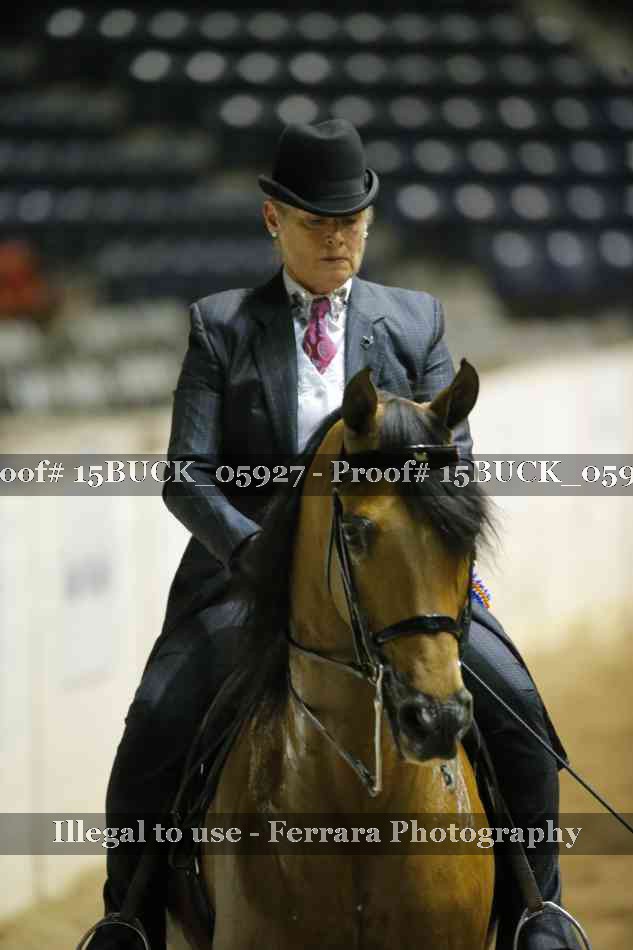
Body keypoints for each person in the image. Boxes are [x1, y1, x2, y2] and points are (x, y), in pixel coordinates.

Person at [88, 119, 579, 949]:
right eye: (317, 223)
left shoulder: (416, 321)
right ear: (272, 219)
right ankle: (129, 917)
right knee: (157, 722)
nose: (337, 239)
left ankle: (540, 911)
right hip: (247, 582)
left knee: (516, 707)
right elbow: (186, 474)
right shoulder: (221, 326)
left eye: (351, 222)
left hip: (398, 579)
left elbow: (450, 467)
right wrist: (255, 554)